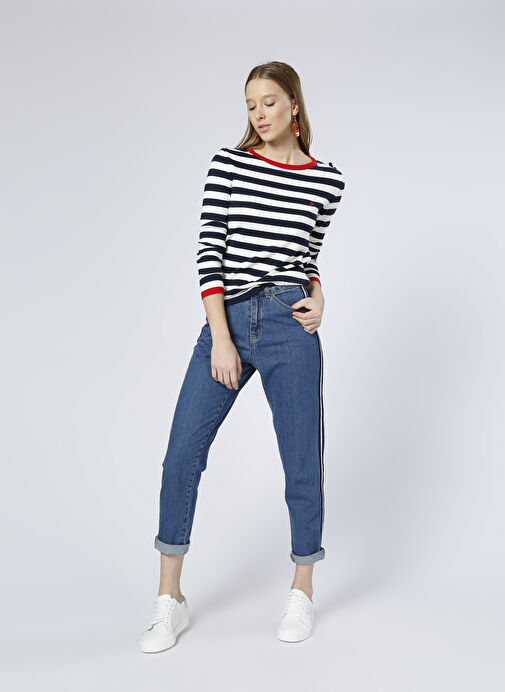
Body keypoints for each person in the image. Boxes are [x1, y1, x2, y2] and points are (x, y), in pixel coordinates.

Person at [140, 60, 346, 652]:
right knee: (182, 456)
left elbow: (306, 255)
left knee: (302, 463)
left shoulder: (327, 181)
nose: (258, 114)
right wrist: (222, 338)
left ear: (294, 105)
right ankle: (170, 599)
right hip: (226, 322)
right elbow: (211, 252)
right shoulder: (228, 165)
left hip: (289, 325)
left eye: (269, 102)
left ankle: (302, 588)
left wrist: (319, 296)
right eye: (251, 104)